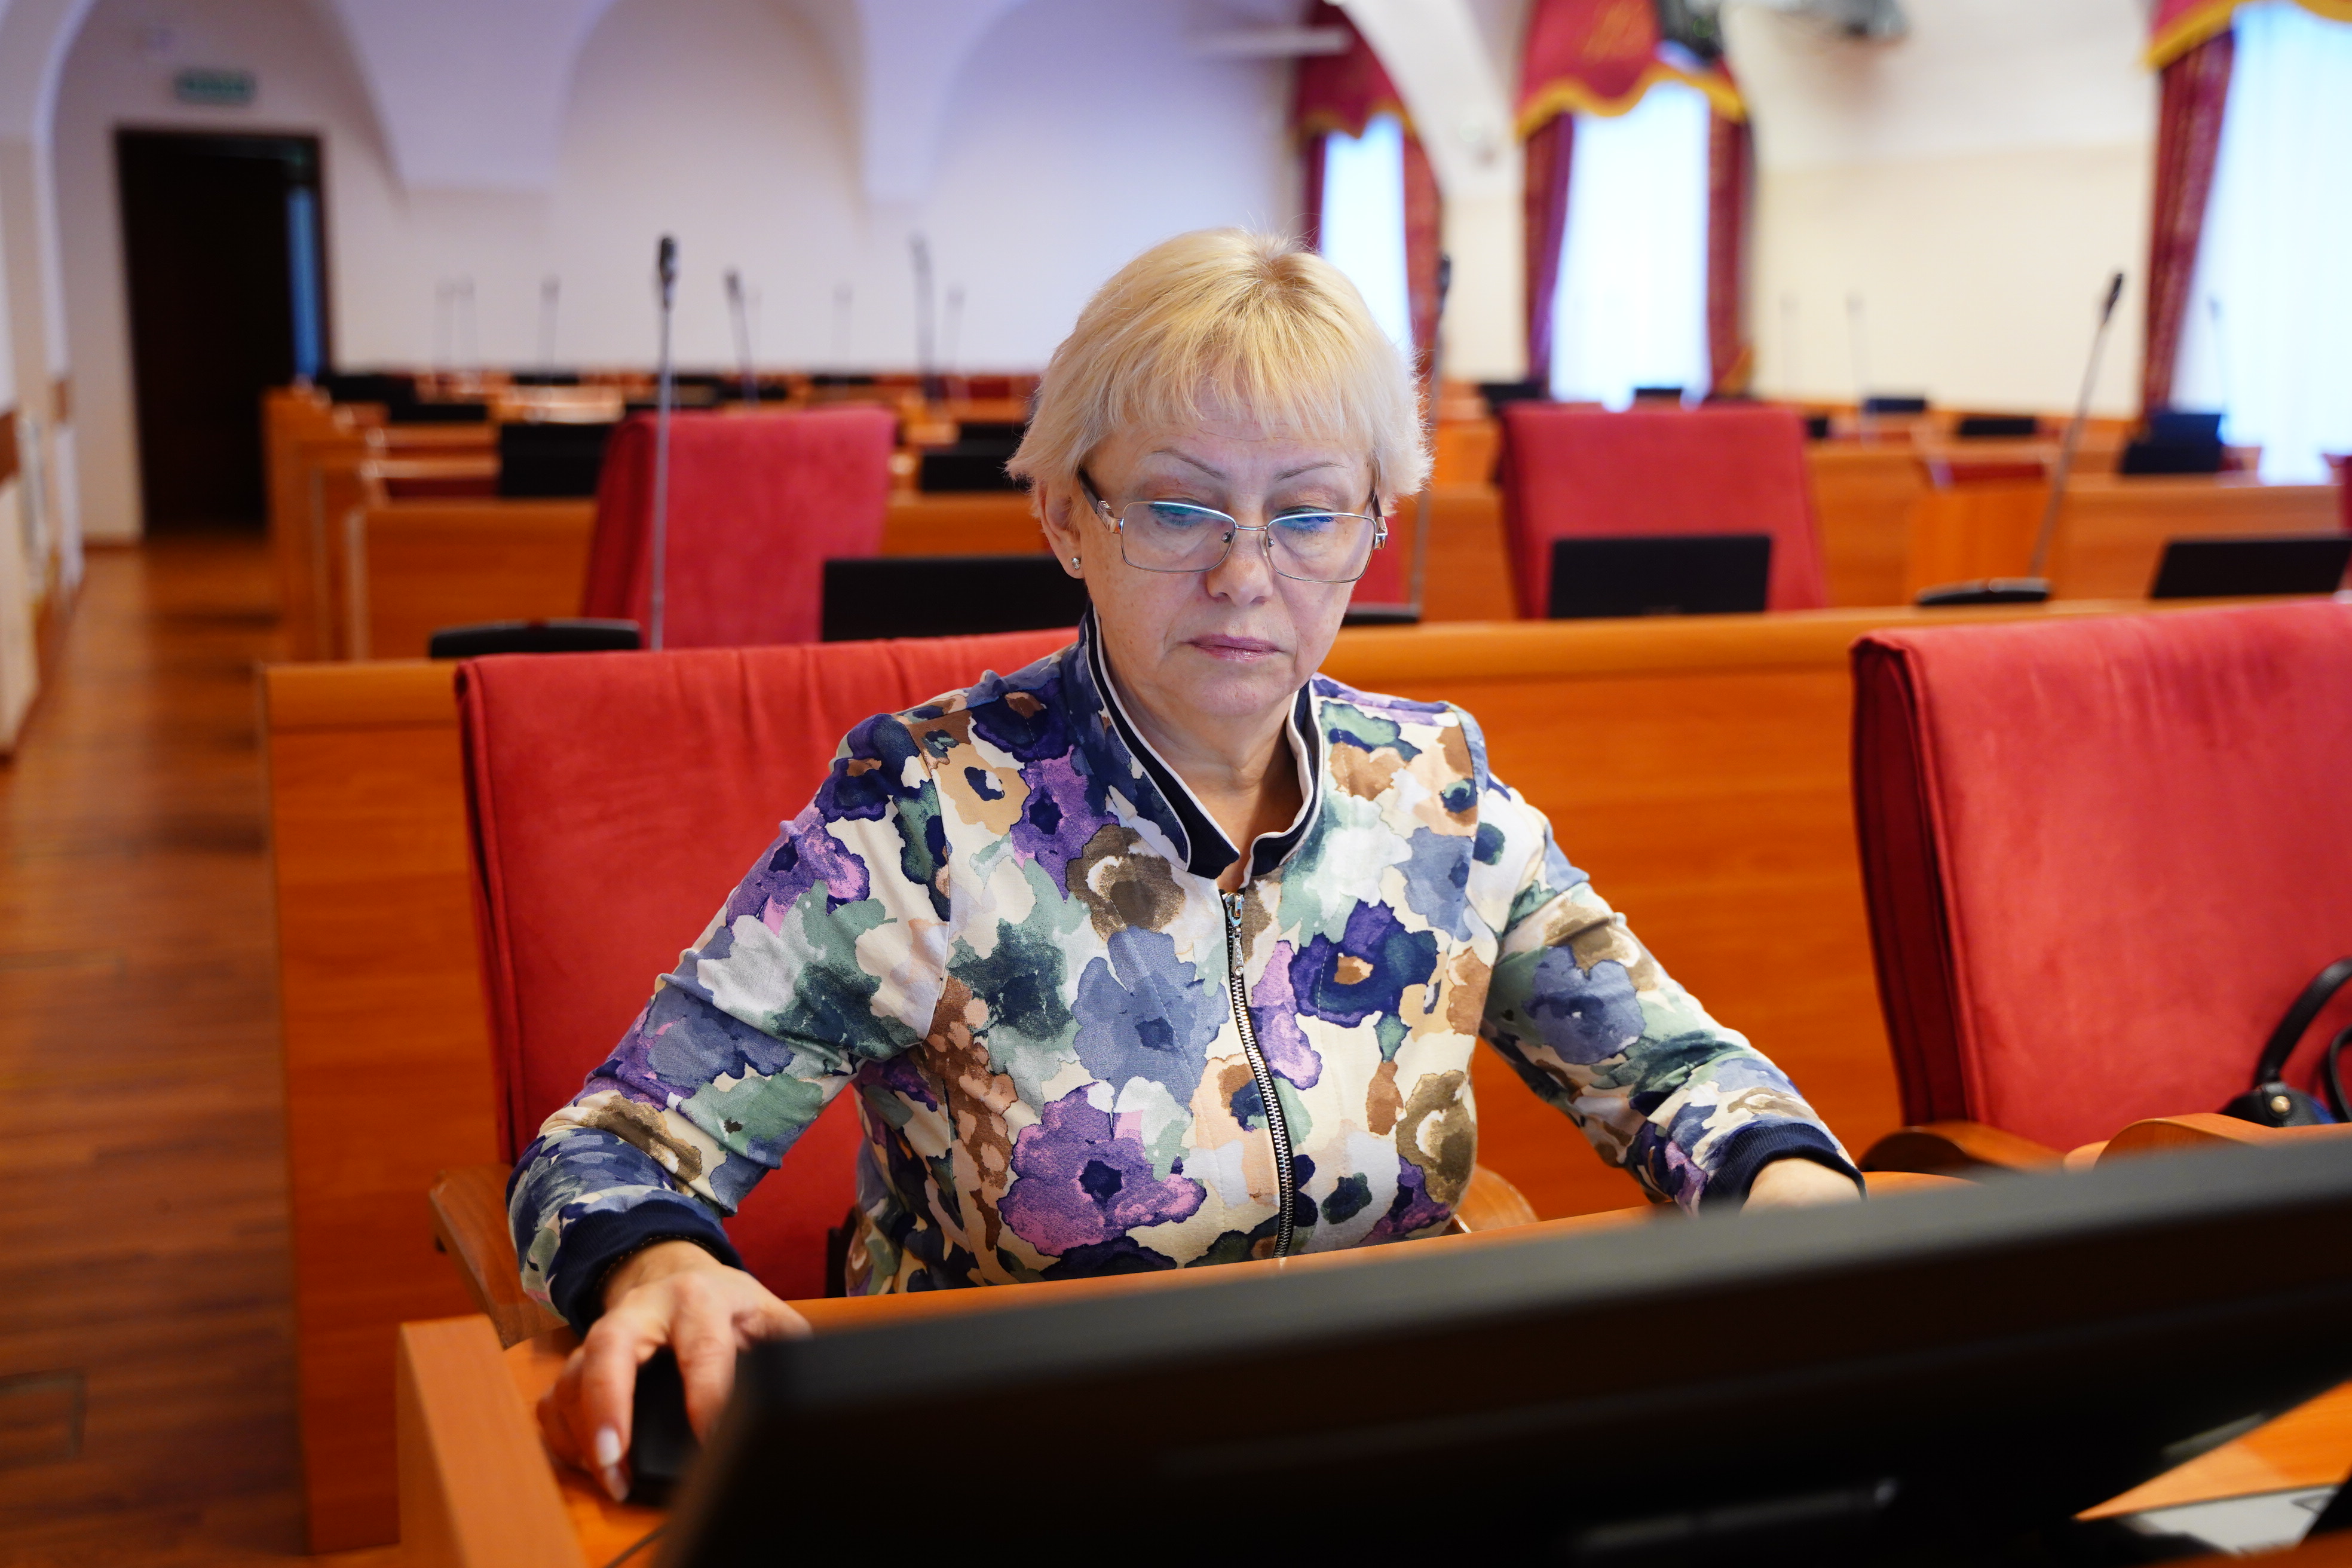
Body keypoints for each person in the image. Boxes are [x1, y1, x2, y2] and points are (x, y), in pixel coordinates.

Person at [517, 229, 1862, 1501]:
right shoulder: (924, 814)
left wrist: (1792, 1191)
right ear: (1067, 516)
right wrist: (660, 1266)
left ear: (1373, 532)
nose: (1245, 574)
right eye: (1178, 508)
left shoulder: (1434, 791)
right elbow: (610, 1152)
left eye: (1309, 514)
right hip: (1018, 1472)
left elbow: (1680, 1075)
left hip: (1392, 1452)